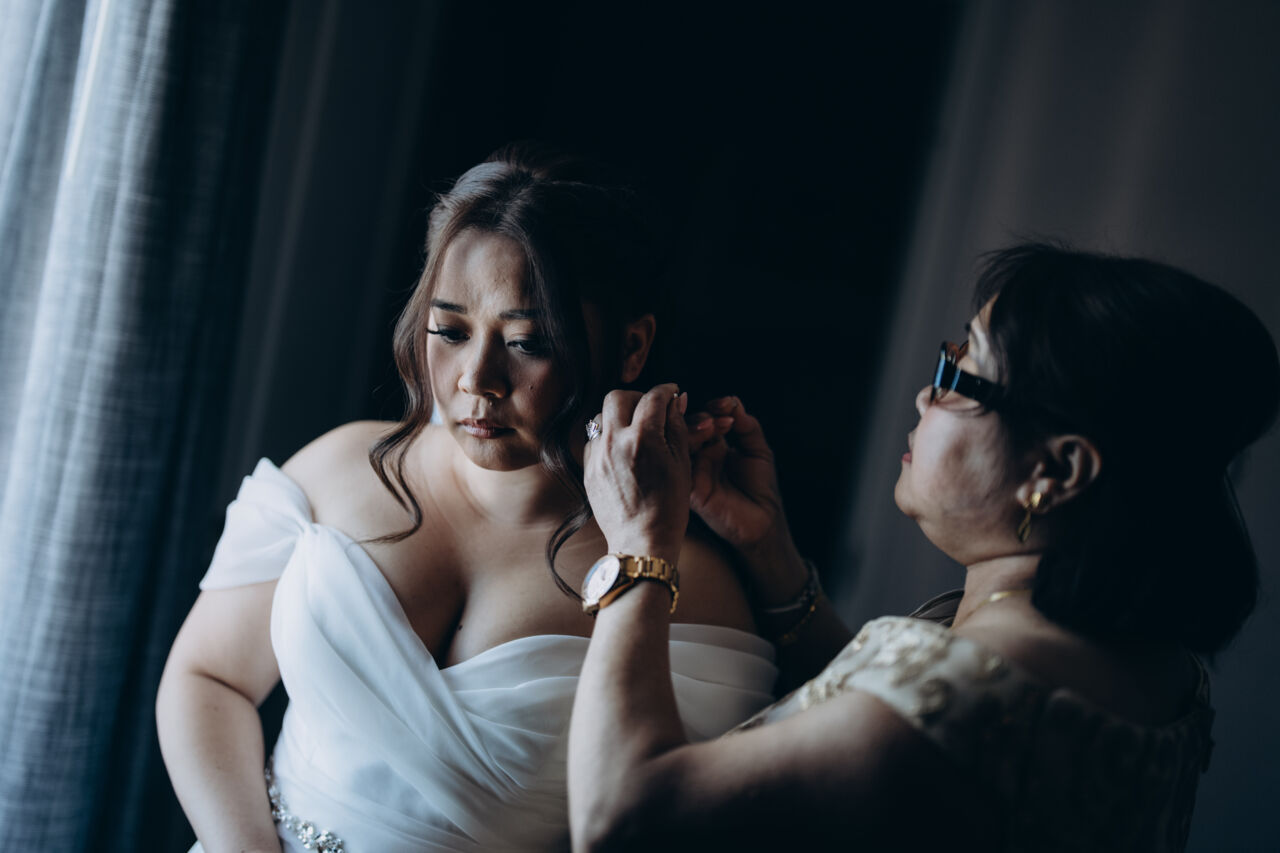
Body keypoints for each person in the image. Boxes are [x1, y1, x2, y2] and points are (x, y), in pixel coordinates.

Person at [155, 144, 777, 853]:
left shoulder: (682, 587)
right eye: (450, 331)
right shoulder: (337, 467)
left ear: (631, 347)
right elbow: (209, 677)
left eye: (528, 342)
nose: (476, 378)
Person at [568, 243, 1280, 852]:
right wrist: (769, 550)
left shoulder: (977, 693)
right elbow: (879, 728)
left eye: (958, 376)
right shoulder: (1147, 664)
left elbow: (622, 815)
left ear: (1058, 470)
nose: (923, 396)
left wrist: (638, 546)